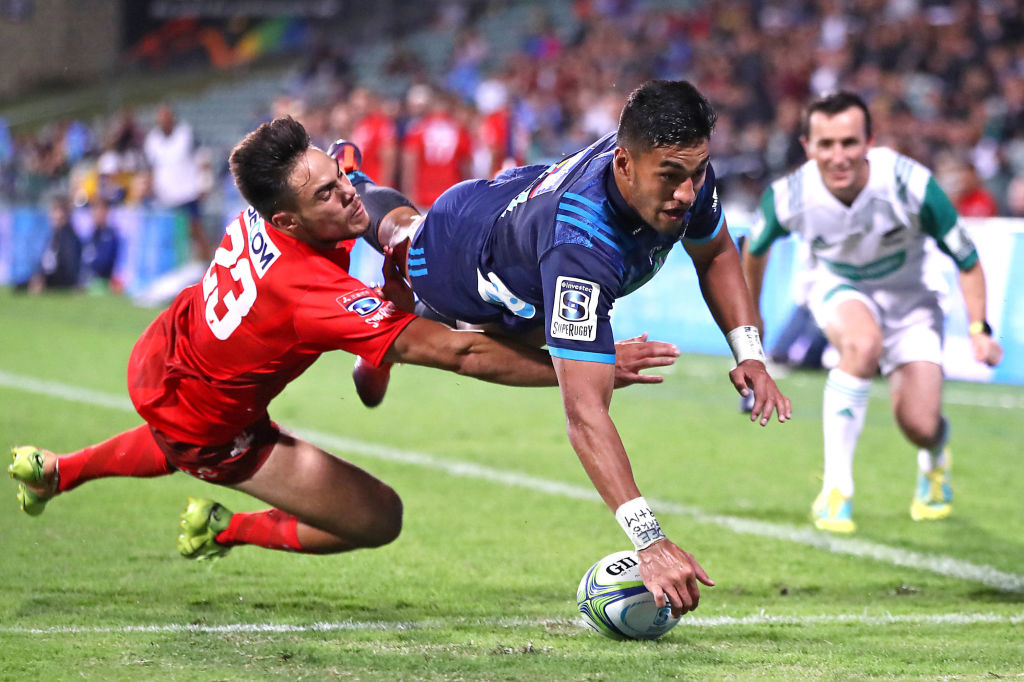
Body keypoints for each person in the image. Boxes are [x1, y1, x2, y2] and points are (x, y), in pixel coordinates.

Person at [9, 118, 677, 590]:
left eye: (337, 177)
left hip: (172, 353)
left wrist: (360, 187)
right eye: (328, 194)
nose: (345, 192)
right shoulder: (312, 292)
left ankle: (59, 472)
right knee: (378, 518)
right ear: (291, 222)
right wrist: (595, 362)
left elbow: (354, 179)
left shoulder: (276, 200)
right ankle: (223, 529)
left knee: (183, 423)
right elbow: (461, 355)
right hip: (208, 419)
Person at [335, 79, 792, 615]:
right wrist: (649, 540)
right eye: (671, 177)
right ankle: (355, 191)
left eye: (696, 173)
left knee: (575, 352)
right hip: (461, 253)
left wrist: (750, 352)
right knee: (405, 238)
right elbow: (583, 412)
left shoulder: (681, 169)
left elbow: (715, 252)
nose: (688, 193)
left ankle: (392, 319)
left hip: (526, 226)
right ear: (624, 164)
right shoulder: (581, 245)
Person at [741, 91, 1003, 533]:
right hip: (838, 286)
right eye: (826, 144)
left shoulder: (911, 185)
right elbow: (753, 249)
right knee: (862, 345)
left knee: (919, 425)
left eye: (849, 143)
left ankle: (935, 456)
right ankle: (836, 490)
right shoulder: (790, 195)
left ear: (869, 142)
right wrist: (751, 323)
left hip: (912, 301)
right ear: (808, 147)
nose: (838, 156)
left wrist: (979, 328)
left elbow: (968, 259)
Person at [143, 104, 213, 262]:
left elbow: (203, 158)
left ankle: (208, 263)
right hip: (166, 196)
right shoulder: (153, 140)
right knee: (171, 236)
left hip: (188, 192)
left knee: (196, 230)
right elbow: (150, 167)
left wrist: (204, 183)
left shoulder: (186, 134)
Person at [29, 195, 82, 293]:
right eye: (53, 211)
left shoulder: (69, 236)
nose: (54, 215)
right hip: (51, 277)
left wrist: (45, 279)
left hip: (62, 279)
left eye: (56, 211)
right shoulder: (51, 234)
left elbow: (69, 265)